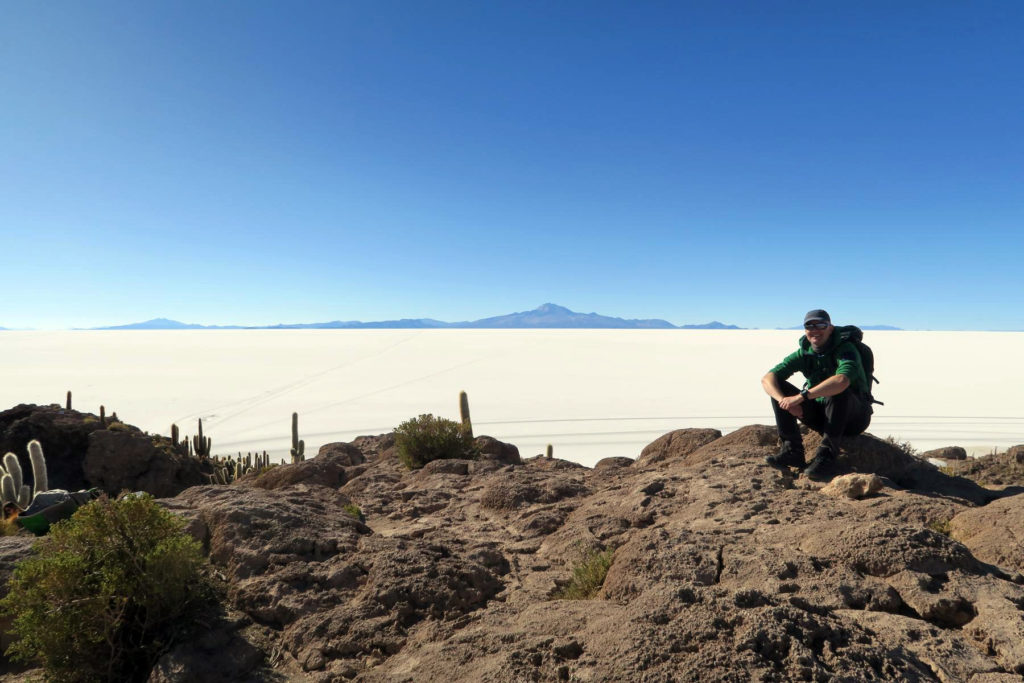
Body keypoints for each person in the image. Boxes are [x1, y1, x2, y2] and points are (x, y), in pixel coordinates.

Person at [761, 309, 872, 480]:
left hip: (854, 418)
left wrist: (800, 398)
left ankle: (827, 456)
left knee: (837, 391)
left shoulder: (846, 350)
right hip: (823, 416)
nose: (815, 330)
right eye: (809, 325)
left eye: (820, 325)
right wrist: (785, 402)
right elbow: (768, 378)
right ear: (805, 330)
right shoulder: (804, 352)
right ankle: (792, 451)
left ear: (830, 327)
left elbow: (841, 380)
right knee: (779, 387)